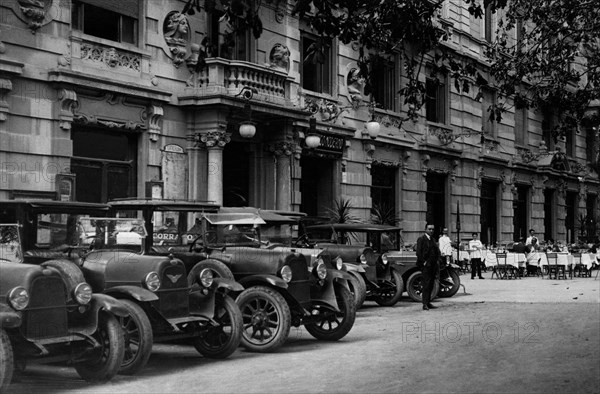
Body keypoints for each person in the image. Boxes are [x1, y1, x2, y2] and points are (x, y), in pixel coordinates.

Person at [416, 223, 440, 311]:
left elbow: (436, 251)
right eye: (429, 229)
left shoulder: (433, 239)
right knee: (426, 284)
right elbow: (418, 253)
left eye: (433, 229)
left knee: (431, 284)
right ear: (425, 229)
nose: (431, 231)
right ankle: (424, 304)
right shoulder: (421, 239)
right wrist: (423, 262)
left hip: (433, 265)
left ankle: (428, 302)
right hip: (426, 266)